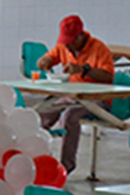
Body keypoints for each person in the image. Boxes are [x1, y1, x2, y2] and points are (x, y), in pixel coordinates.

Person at [35, 16, 117, 176]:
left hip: (97, 99)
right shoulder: (64, 47)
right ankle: (37, 156)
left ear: (81, 36)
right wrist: (44, 61)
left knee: (69, 116)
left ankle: (65, 167)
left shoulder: (99, 48)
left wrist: (83, 69)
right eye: (66, 42)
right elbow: (49, 57)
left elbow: (108, 76)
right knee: (44, 112)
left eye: (71, 42)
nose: (68, 47)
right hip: (72, 95)